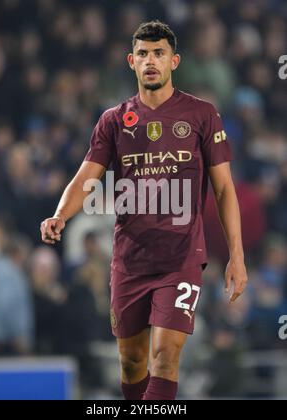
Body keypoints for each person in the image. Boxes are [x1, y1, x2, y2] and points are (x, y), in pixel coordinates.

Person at [41, 20, 248, 400]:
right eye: (143, 54)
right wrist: (60, 214)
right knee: (132, 362)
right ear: (131, 62)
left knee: (165, 356)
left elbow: (223, 189)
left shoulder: (202, 115)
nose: (150, 61)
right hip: (130, 259)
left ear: (174, 61)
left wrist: (236, 253)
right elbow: (86, 176)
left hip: (181, 257)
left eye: (159, 53)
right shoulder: (114, 120)